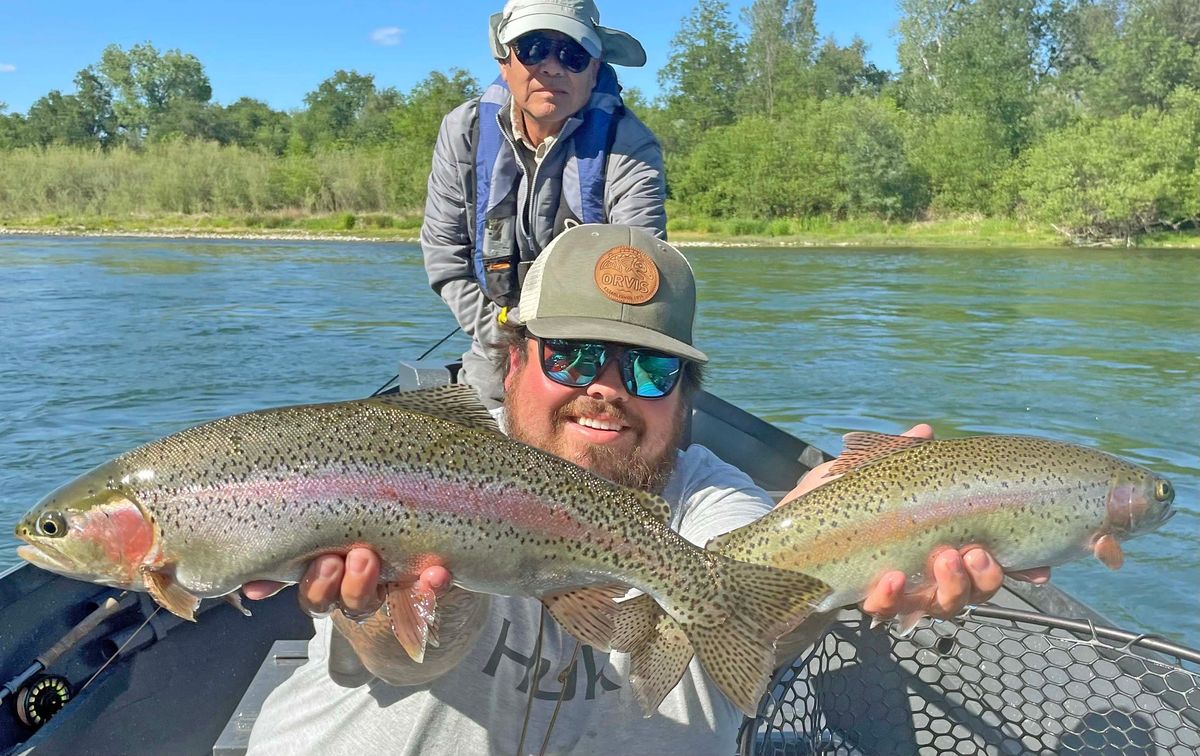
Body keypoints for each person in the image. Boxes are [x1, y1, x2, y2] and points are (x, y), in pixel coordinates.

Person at [245, 224, 1046, 754]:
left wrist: (852, 530)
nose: (607, 388)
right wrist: (415, 602)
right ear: (514, 362)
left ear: (686, 396)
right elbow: (401, 662)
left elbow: (754, 592)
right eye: (573, 356)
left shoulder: (714, 503)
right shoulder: (414, 467)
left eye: (651, 368)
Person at [421, 0, 666, 408]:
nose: (552, 67)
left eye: (573, 54)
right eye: (533, 48)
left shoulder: (631, 147)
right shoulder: (463, 131)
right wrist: (507, 343)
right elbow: (446, 261)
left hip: (599, 365)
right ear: (505, 60)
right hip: (496, 353)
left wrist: (566, 361)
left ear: (594, 68)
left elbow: (640, 281)